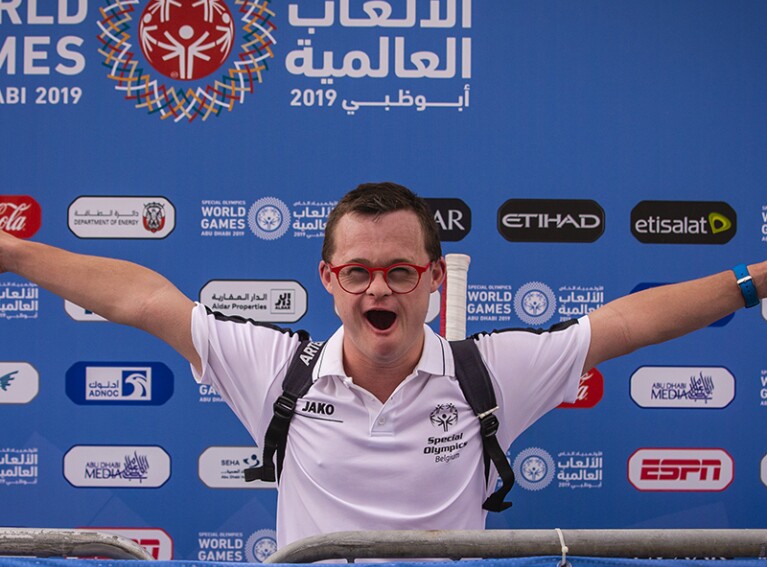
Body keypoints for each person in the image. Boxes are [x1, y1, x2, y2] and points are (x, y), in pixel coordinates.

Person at [0, 182, 764, 548]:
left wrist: (752, 281)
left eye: (401, 270)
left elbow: (627, 321)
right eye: (358, 271)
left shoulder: (488, 373)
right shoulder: (276, 368)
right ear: (328, 280)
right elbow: (143, 299)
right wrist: (11, 249)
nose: (379, 287)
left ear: (433, 278)